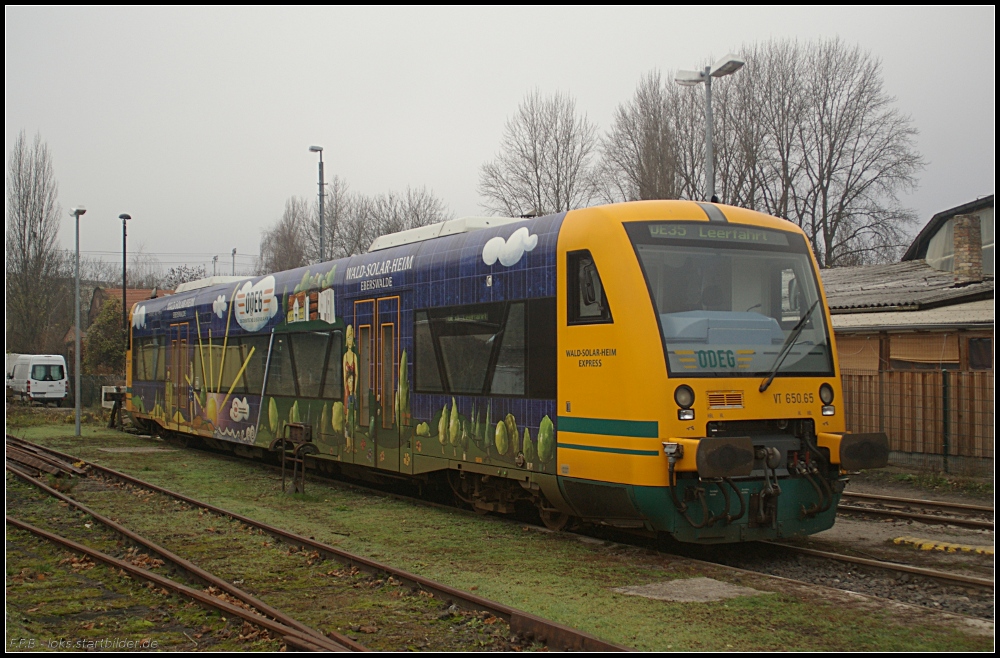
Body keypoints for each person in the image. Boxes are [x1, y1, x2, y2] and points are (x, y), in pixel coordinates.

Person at [342, 324, 359, 450]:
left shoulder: (355, 357)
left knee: (354, 418)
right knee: (348, 419)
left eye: (351, 337)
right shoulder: (345, 357)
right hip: (348, 392)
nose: (350, 340)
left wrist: (355, 389)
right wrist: (347, 391)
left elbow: (357, 374)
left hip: (353, 391)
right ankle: (348, 444)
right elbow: (344, 376)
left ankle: (353, 445)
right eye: (348, 337)